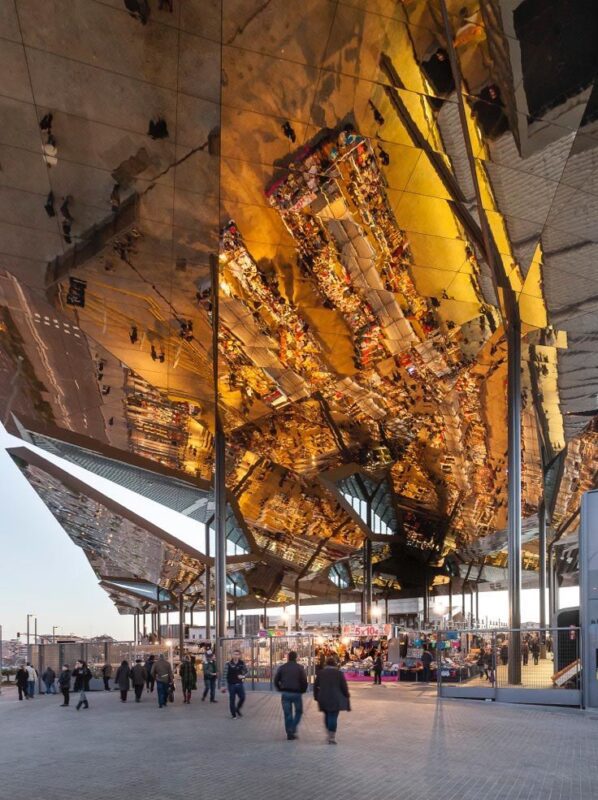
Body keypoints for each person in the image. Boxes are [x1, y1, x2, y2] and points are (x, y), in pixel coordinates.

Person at [314, 656, 350, 745]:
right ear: (334, 664)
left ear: (326, 664)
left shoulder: (321, 673)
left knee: (327, 715)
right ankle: (332, 736)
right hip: (335, 698)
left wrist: (316, 696)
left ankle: (329, 731)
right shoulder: (339, 673)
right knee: (333, 716)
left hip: (323, 698)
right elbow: (344, 687)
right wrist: (346, 695)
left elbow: (315, 686)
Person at [274, 651, 308, 740]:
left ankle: (289, 732)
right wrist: (303, 690)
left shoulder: (282, 667)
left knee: (287, 714)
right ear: (296, 658)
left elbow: (276, 680)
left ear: (288, 657)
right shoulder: (300, 668)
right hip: (297, 693)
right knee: (299, 712)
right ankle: (293, 727)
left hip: (285, 693)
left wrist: (279, 689)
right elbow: (304, 681)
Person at [224, 649, 247, 719]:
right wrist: (223, 685)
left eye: (237, 654)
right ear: (232, 655)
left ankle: (237, 709)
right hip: (231, 685)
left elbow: (246, 671)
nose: (236, 656)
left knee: (242, 697)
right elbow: (224, 675)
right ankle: (233, 714)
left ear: (239, 655)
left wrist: (243, 676)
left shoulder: (242, 663)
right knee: (232, 700)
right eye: (234, 654)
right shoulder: (228, 664)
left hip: (240, 684)